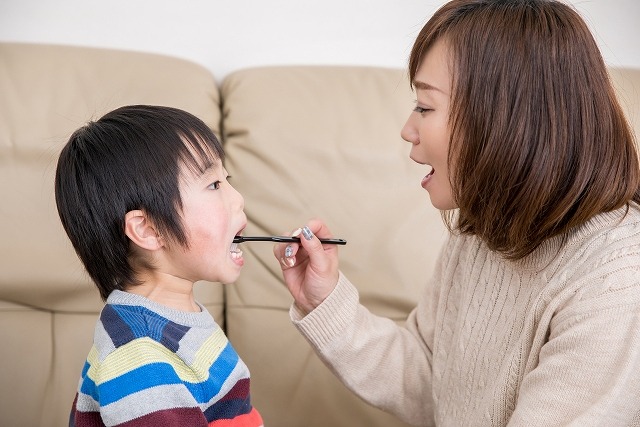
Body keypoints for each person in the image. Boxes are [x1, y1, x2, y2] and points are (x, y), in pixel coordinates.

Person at [273, 1, 640, 425]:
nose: (408, 130)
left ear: (506, 119)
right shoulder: (481, 236)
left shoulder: (616, 281)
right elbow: (430, 381)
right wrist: (324, 300)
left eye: (425, 107)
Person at [55, 105, 263, 427]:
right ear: (149, 230)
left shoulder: (171, 318)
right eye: (214, 185)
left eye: (227, 179)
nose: (238, 198)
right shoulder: (139, 358)